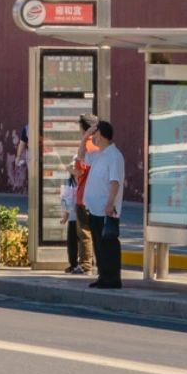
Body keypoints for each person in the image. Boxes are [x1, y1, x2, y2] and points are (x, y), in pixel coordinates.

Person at [82, 119, 125, 288]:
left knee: (108, 244)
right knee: (98, 245)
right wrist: (85, 136)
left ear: (103, 136)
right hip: (94, 209)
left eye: (96, 134)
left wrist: (110, 203)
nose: (94, 137)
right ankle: (103, 276)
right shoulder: (99, 154)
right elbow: (81, 156)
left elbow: (115, 182)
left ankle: (112, 279)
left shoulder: (114, 156)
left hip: (106, 209)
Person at [72, 112, 99, 273]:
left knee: (84, 232)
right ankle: (97, 263)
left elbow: (80, 170)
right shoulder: (100, 145)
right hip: (98, 196)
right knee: (96, 232)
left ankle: (85, 265)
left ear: (84, 128)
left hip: (84, 195)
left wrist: (71, 170)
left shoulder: (86, 145)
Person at [60, 169, 83, 274]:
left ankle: (85, 263)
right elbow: (66, 200)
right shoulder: (69, 183)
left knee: (84, 241)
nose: (75, 169)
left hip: (83, 216)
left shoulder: (85, 181)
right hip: (73, 217)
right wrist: (65, 216)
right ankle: (73, 264)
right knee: (72, 242)